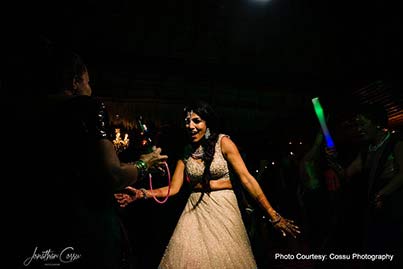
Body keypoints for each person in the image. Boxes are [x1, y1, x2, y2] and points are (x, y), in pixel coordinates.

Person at [17, 44, 168, 269]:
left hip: (38, 223)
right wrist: (144, 164)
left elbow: (76, 168)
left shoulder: (25, 110)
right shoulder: (87, 107)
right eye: (87, 81)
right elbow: (113, 176)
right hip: (85, 226)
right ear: (74, 81)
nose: (90, 87)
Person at [115, 100, 300, 268]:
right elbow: (173, 189)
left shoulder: (224, 143)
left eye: (197, 121)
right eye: (188, 122)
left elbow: (247, 179)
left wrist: (272, 214)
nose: (191, 126)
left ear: (207, 123)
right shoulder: (186, 152)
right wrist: (142, 193)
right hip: (194, 213)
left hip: (224, 210)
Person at [326, 103, 402, 267]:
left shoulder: (396, 141)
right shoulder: (367, 150)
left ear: (376, 122)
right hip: (375, 210)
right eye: (357, 124)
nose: (359, 128)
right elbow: (345, 175)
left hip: (395, 207)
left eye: (362, 123)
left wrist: (383, 193)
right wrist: (333, 161)